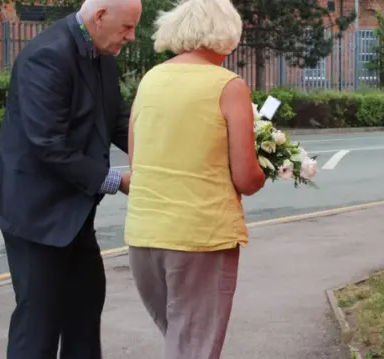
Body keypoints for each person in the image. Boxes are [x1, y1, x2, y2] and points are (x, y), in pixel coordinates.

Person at [0, 0, 141, 358]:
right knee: (39, 324)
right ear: (99, 16)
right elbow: (47, 145)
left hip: (74, 211)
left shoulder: (103, 57)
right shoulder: (46, 55)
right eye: (127, 27)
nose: (132, 35)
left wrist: (163, 160)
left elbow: (119, 124)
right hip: (34, 213)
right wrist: (117, 180)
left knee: (85, 308)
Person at [124, 0, 266, 357]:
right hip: (200, 235)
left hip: (145, 235)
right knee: (195, 347)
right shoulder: (227, 85)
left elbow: (136, 158)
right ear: (225, 34)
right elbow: (246, 177)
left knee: (180, 339)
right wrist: (265, 170)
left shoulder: (151, 80)